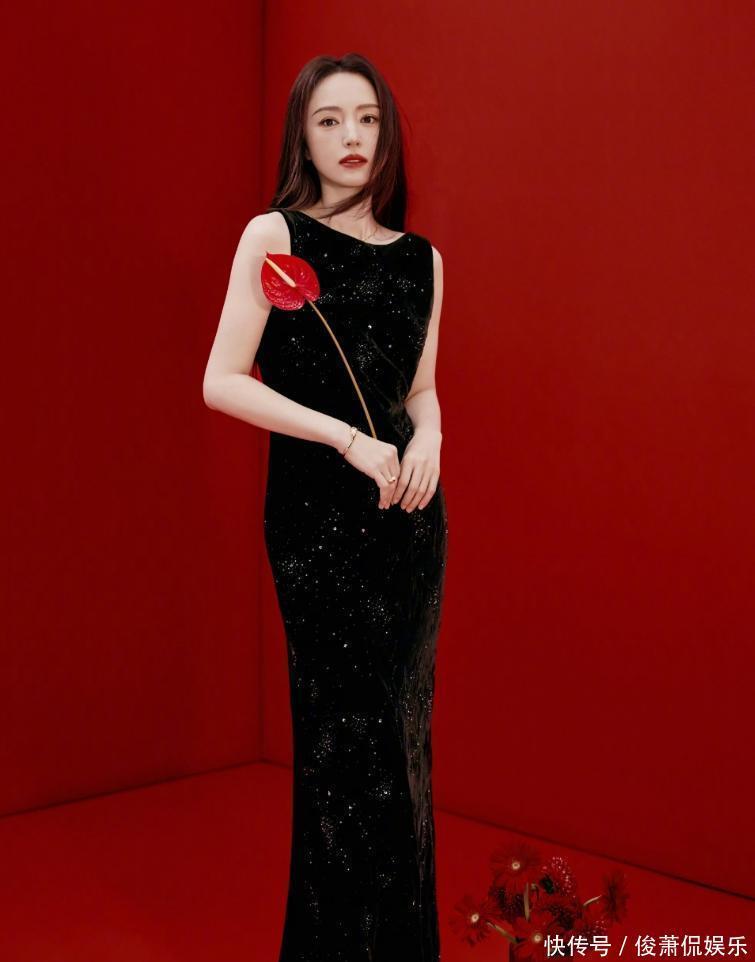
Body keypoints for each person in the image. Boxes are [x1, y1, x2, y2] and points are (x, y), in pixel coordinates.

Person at [203, 51, 449, 962]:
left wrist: (429, 440)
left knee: (402, 745)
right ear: (301, 139)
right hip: (317, 523)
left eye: (368, 119)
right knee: (346, 751)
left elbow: (419, 389)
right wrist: (344, 438)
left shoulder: (423, 261)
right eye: (329, 120)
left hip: (408, 519)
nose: (352, 137)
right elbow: (222, 380)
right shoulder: (274, 236)